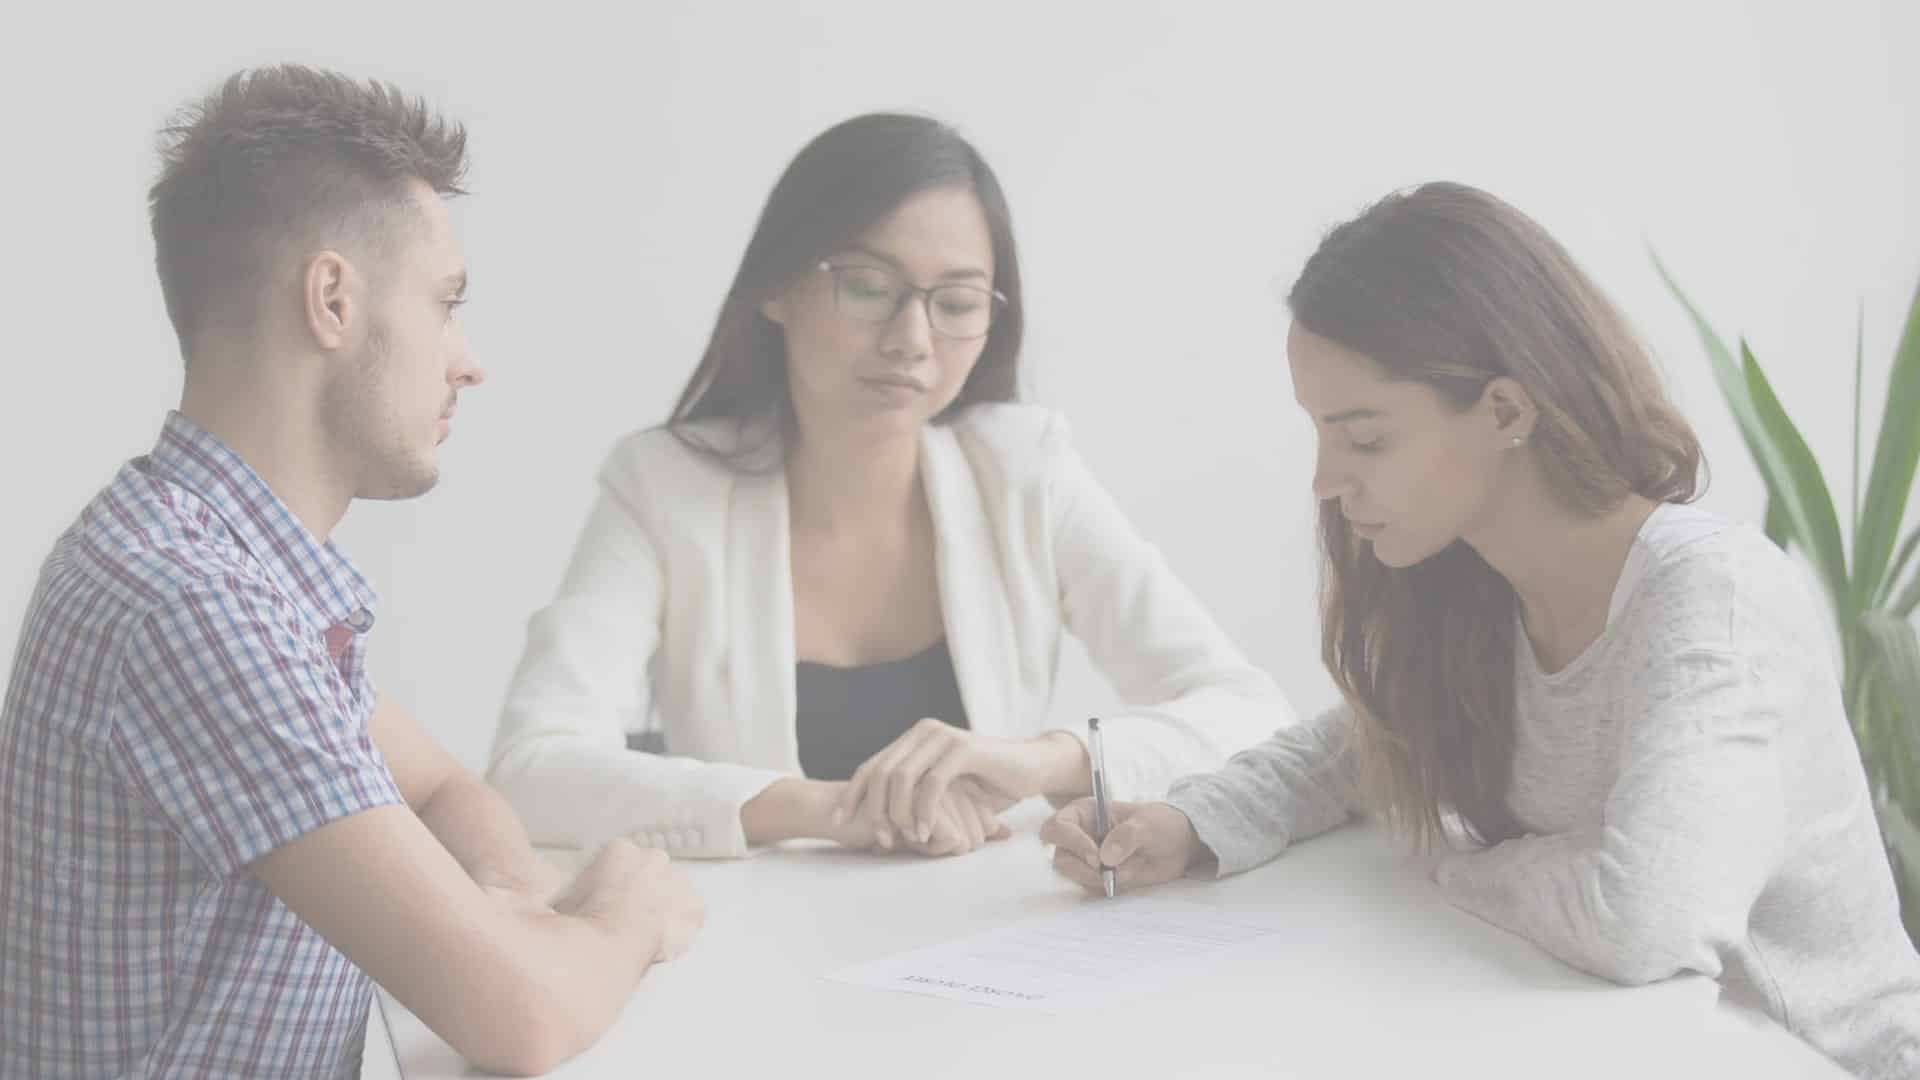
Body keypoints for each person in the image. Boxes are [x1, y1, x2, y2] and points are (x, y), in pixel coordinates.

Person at [1042, 182, 1920, 1079]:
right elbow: (1356, 749)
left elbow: (1649, 918)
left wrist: (1457, 865)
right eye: (1320, 433)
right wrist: (1190, 822)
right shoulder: (1479, 587)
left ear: (1505, 411)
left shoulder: (1716, 598)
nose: (1324, 480)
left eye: (1365, 439)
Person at [0, 65, 702, 1079]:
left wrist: (504, 903)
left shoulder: (215, 561)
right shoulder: (193, 606)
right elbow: (524, 1021)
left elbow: (444, 788)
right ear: (331, 299)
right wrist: (617, 917)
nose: (468, 361)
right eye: (446, 304)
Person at [487, 112, 1285, 860]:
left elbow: (1250, 713)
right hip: (743, 954)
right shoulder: (664, 487)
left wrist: (1044, 760)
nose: (912, 339)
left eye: (957, 302)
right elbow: (531, 770)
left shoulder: (1023, 468)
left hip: (979, 947)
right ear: (776, 287)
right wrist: (833, 809)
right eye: (868, 286)